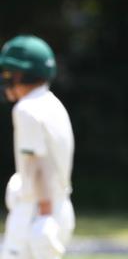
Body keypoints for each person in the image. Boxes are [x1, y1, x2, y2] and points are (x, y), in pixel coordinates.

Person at [0, 35, 75, 259]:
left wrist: (43, 215)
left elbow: (38, 162)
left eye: (8, 74)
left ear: (20, 74)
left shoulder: (26, 110)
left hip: (36, 211)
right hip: (61, 208)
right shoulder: (53, 104)